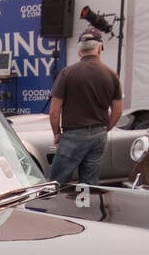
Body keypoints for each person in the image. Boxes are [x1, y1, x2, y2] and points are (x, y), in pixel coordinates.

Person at [47, 27, 123, 185]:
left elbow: (54, 111)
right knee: (89, 185)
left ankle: (49, 208)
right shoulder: (111, 74)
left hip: (73, 135)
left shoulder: (67, 73)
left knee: (55, 183)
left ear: (79, 51)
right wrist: (104, 129)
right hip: (98, 135)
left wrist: (57, 134)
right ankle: (87, 208)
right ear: (100, 48)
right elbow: (117, 111)